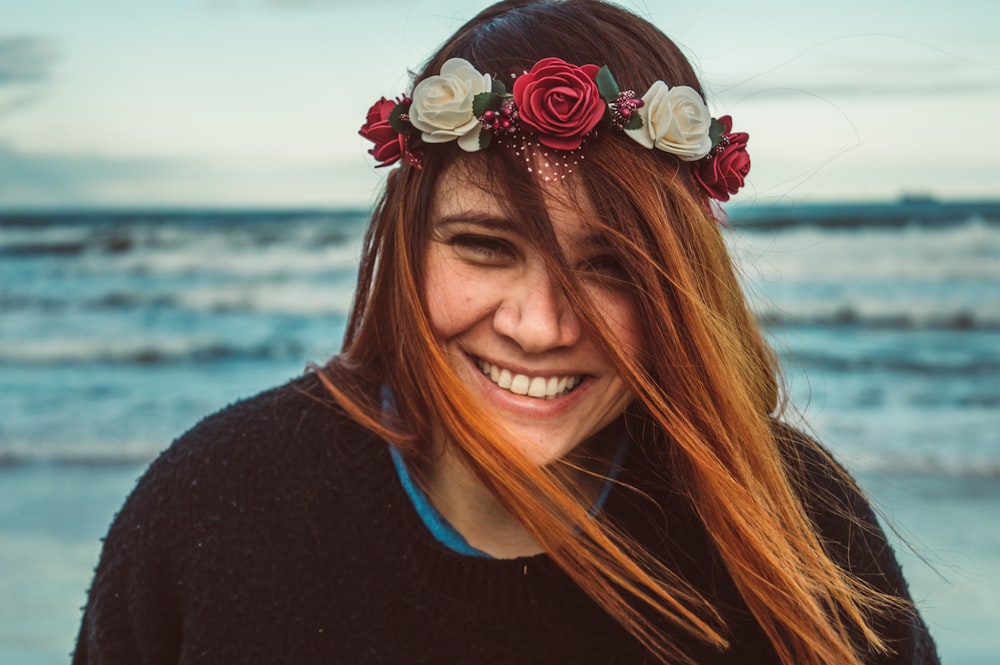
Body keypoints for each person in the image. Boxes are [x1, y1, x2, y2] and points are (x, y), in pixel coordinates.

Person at [73, 1, 939, 663]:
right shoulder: (211, 509)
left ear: (684, 280)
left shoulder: (794, 521)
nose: (538, 325)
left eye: (613, 267)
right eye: (484, 247)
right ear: (408, 244)